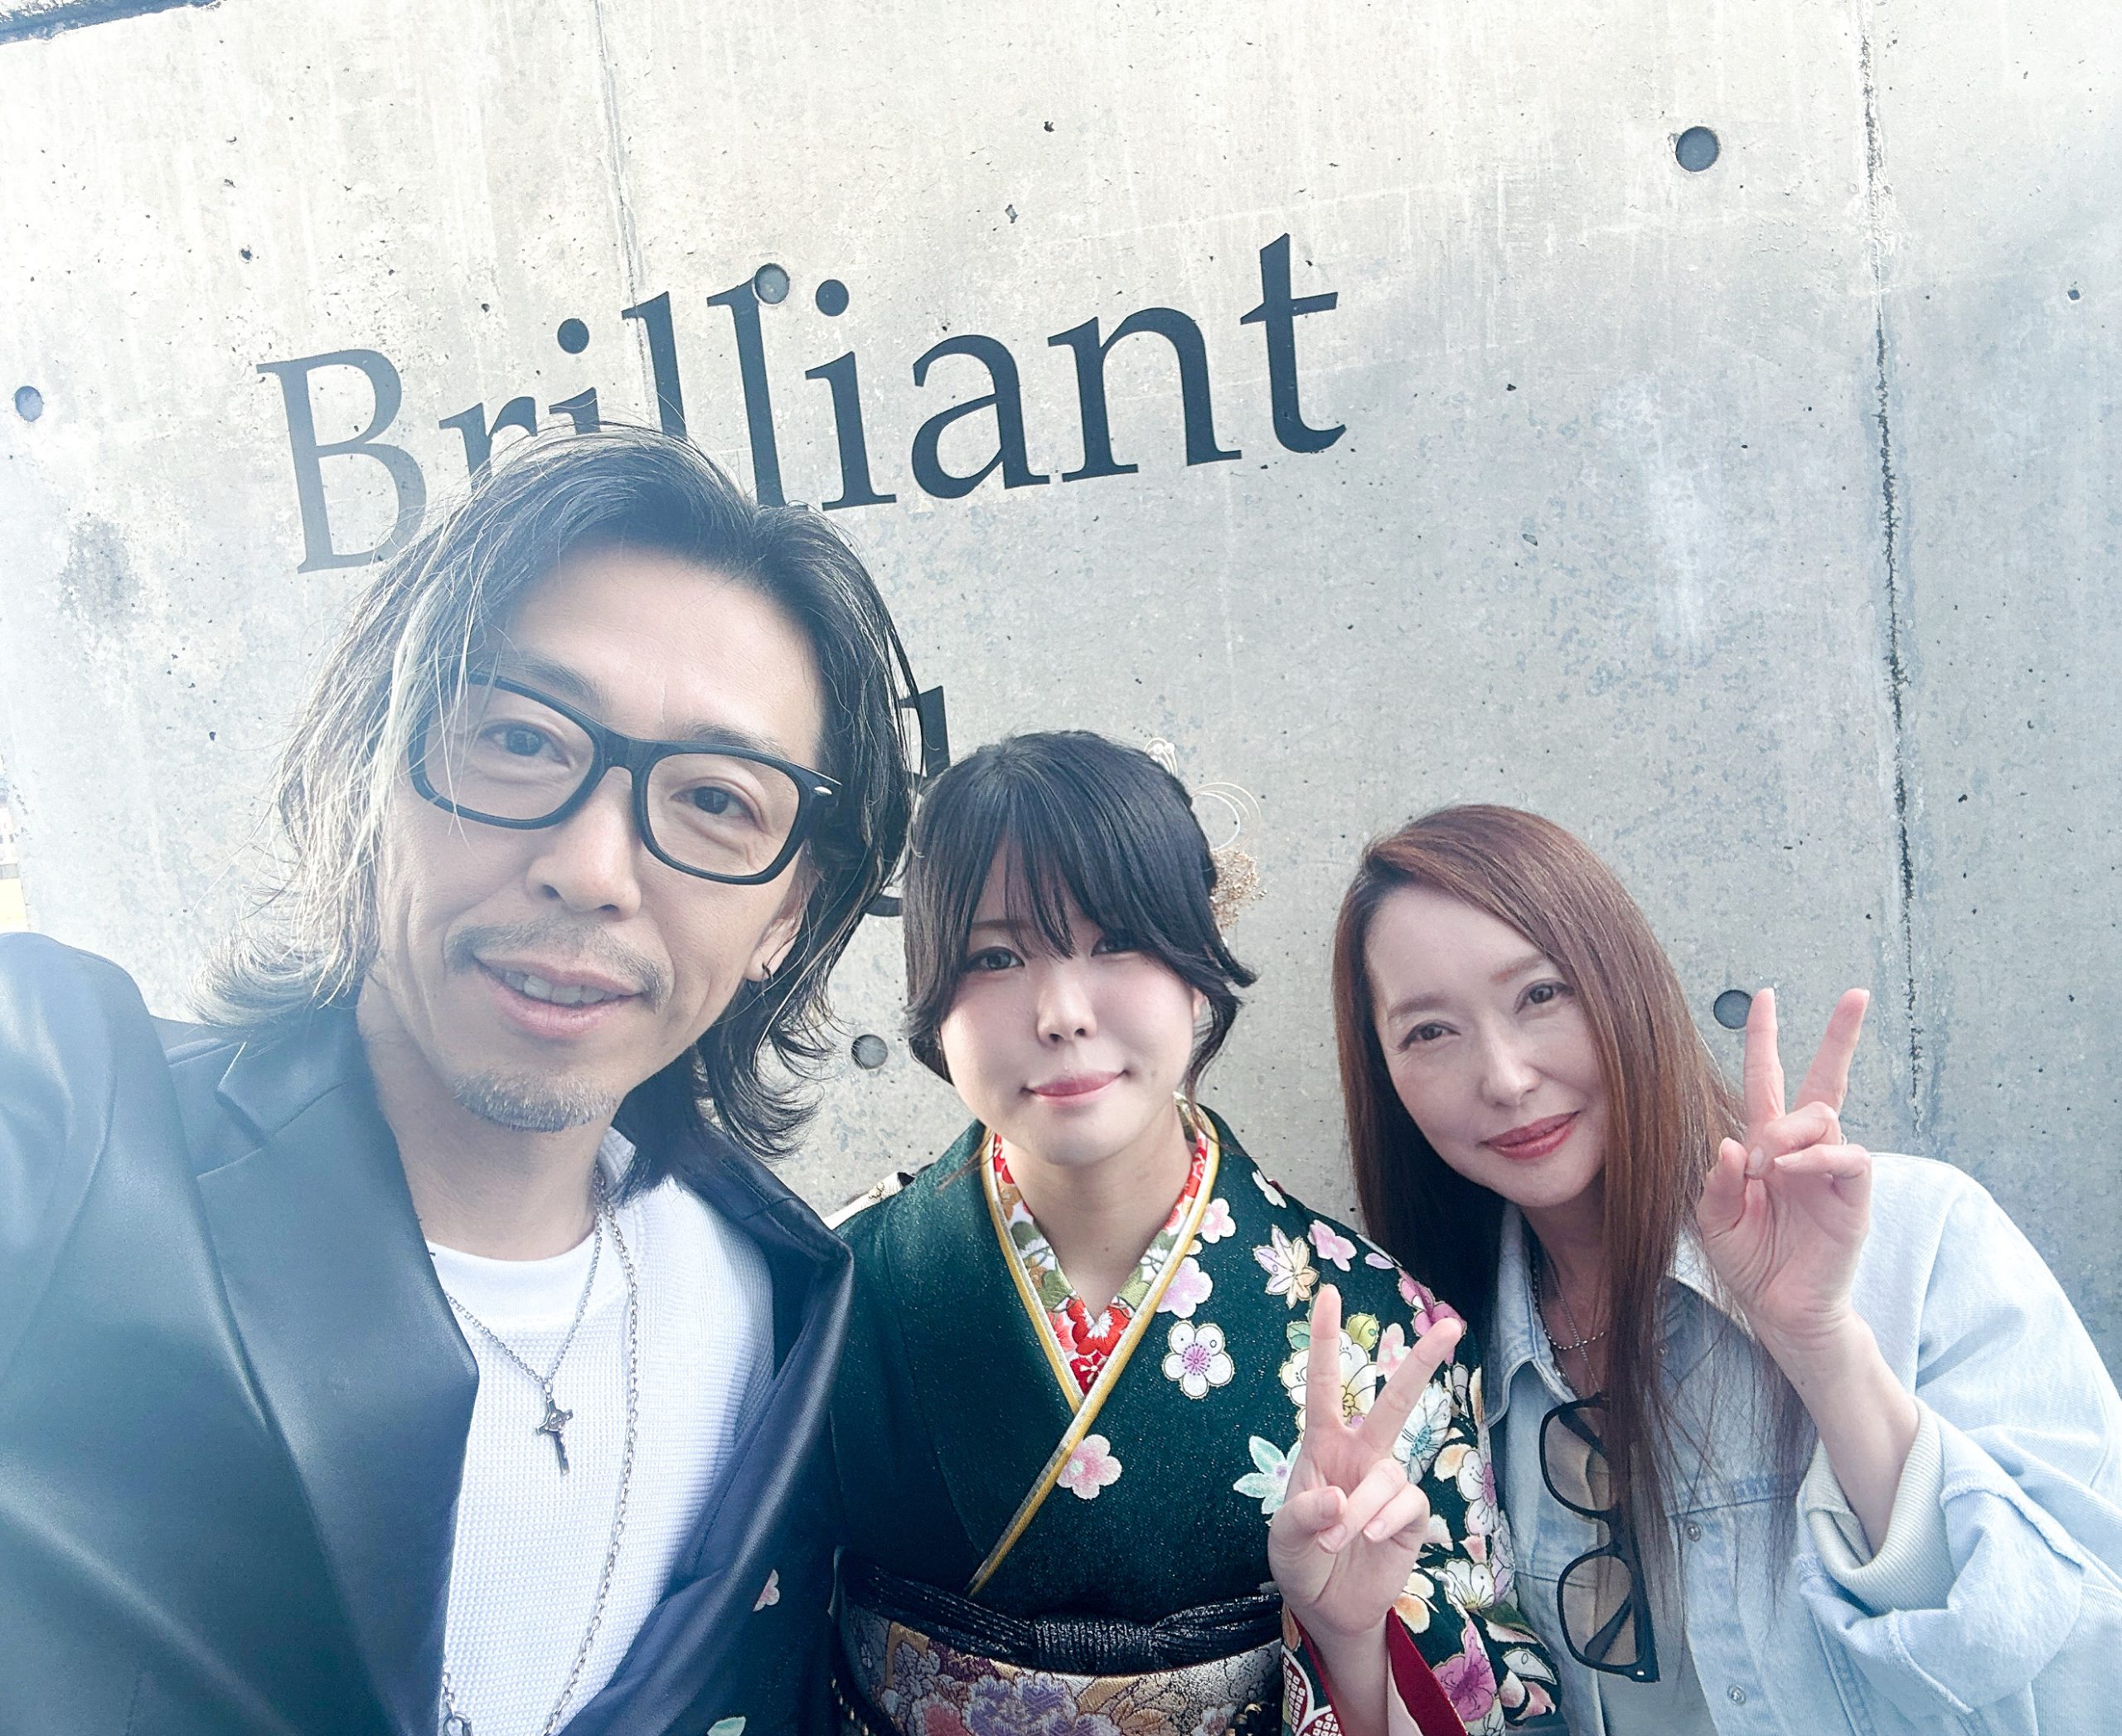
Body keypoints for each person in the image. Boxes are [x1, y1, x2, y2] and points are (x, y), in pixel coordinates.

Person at [0, 428, 925, 1736]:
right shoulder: (77, 1124)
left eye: (718, 800)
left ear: (789, 911)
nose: (593, 868)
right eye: (520, 737)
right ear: (368, 769)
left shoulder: (774, 1297)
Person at [824, 733, 1565, 1736]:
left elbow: (1499, 1693)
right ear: (931, 1000)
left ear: (1197, 968)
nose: (1060, 1012)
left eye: (1114, 942)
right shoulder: (828, 1290)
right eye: (994, 957)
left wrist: (1351, 1641)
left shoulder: (1379, 1327)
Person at [1327, 803, 2122, 1734]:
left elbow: (2070, 1658)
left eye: (1541, 995)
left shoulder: (1916, 1236)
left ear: (1625, 984)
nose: (1504, 1078)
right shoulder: (1427, 1367)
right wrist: (1344, 1630)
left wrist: (1822, 1349)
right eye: (1429, 1032)